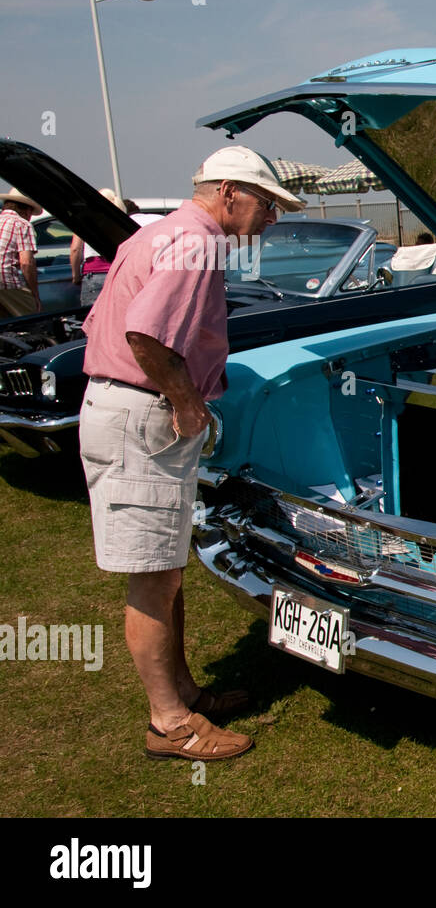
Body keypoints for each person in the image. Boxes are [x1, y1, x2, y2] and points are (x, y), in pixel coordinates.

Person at [80, 145, 304, 761]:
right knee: (153, 575)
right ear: (228, 191)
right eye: (267, 203)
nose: (272, 218)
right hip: (143, 416)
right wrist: (184, 401)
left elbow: (101, 319)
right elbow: (146, 333)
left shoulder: (156, 234)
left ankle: (182, 691)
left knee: (165, 566)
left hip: (123, 408)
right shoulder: (198, 241)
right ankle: (169, 723)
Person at [0, 188, 42, 317]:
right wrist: (34, 293)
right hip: (5, 279)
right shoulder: (22, 224)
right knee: (31, 317)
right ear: (27, 210)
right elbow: (26, 262)